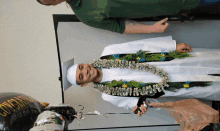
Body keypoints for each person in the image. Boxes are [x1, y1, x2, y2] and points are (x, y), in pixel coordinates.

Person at [65, 36, 220, 117]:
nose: (85, 71)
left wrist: (172, 47)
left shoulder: (109, 52)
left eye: (81, 67)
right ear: (84, 84)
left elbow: (142, 46)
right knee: (203, 85)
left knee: (205, 61)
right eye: (81, 76)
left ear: (84, 64)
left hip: (167, 63)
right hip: (167, 86)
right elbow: (132, 103)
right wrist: (138, 107)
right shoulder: (108, 94)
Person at [37, 0, 220, 34]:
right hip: (176, 3)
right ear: (55, 4)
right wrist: (151, 29)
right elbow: (120, 27)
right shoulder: (85, 15)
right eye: (51, 0)